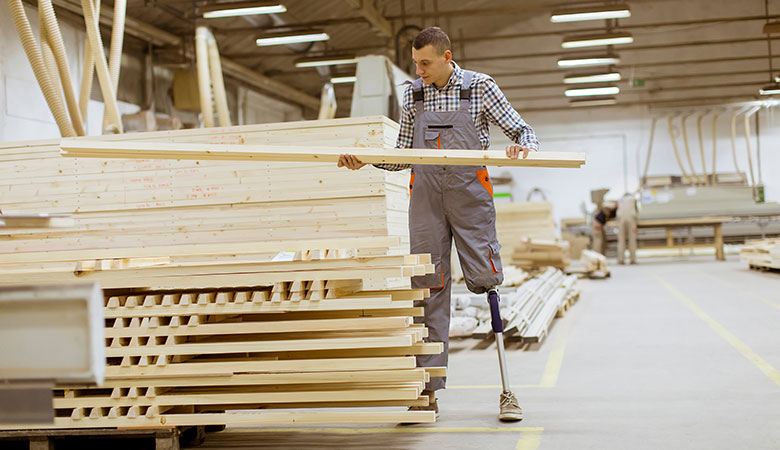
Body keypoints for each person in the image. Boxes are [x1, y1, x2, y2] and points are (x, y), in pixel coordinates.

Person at [337, 27, 538, 422]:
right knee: (427, 287)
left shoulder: (480, 88)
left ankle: (507, 391)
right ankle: (426, 391)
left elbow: (522, 130)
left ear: (448, 57)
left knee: (486, 278)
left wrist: (522, 147)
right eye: (415, 63)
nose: (419, 70)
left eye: (425, 63)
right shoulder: (413, 95)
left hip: (469, 195)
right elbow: (404, 156)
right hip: (426, 197)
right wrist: (368, 159)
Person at [616, 193, 638, 264]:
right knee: (632, 240)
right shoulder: (633, 199)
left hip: (621, 219)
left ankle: (621, 260)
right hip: (631, 219)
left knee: (621, 240)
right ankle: (633, 259)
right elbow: (636, 210)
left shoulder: (620, 199)